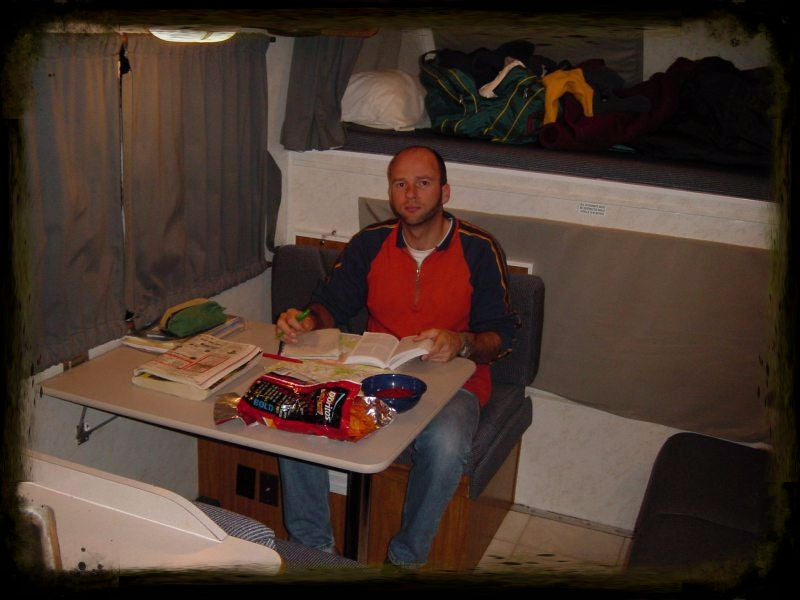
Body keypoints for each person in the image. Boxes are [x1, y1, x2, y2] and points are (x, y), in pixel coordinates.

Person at [275, 145, 518, 570]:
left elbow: (502, 335)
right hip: (376, 373)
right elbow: (331, 303)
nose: (410, 194)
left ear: (444, 192)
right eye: (400, 184)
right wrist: (306, 321)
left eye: (423, 183)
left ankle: (405, 561)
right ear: (390, 192)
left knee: (445, 443)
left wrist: (460, 342)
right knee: (297, 413)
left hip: (454, 383)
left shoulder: (479, 249)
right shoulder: (371, 243)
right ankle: (313, 553)